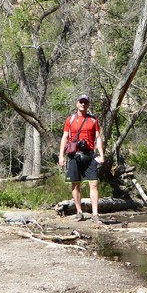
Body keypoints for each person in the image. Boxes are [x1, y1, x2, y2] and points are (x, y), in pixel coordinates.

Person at [58, 94, 105, 223]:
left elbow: (98, 138)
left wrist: (101, 154)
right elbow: (65, 138)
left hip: (89, 155)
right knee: (75, 184)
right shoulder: (70, 120)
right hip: (74, 155)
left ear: (88, 105)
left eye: (85, 102)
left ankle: (95, 214)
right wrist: (61, 155)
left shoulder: (93, 120)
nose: (83, 104)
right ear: (77, 104)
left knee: (94, 183)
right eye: (81, 102)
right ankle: (79, 212)